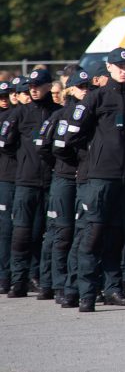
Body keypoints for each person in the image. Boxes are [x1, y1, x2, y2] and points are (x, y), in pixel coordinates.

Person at [60, 49, 125, 312]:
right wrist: (96, 156)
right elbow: (73, 137)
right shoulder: (96, 98)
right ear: (110, 67)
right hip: (102, 178)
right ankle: (87, 294)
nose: (123, 70)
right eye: (118, 66)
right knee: (93, 236)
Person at [1, 69, 61, 298]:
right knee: (21, 232)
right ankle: (18, 280)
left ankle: (41, 278)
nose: (33, 90)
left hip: (49, 181)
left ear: (48, 86)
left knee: (43, 233)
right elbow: (6, 143)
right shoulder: (20, 113)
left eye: (38, 85)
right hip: (25, 181)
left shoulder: (58, 112)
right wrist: (24, 160)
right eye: (30, 87)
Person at [39, 69, 90, 305]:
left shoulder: (93, 112)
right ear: (71, 89)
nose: (85, 91)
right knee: (63, 233)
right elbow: (49, 148)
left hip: (84, 179)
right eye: (81, 87)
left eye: (88, 87)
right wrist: (68, 165)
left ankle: (79, 283)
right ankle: (58, 284)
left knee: (82, 233)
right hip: (64, 178)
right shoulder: (61, 114)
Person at [0, 81, 14, 294]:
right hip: (4, 177)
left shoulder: (15, 116)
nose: (4, 98)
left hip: (15, 177)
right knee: (4, 229)